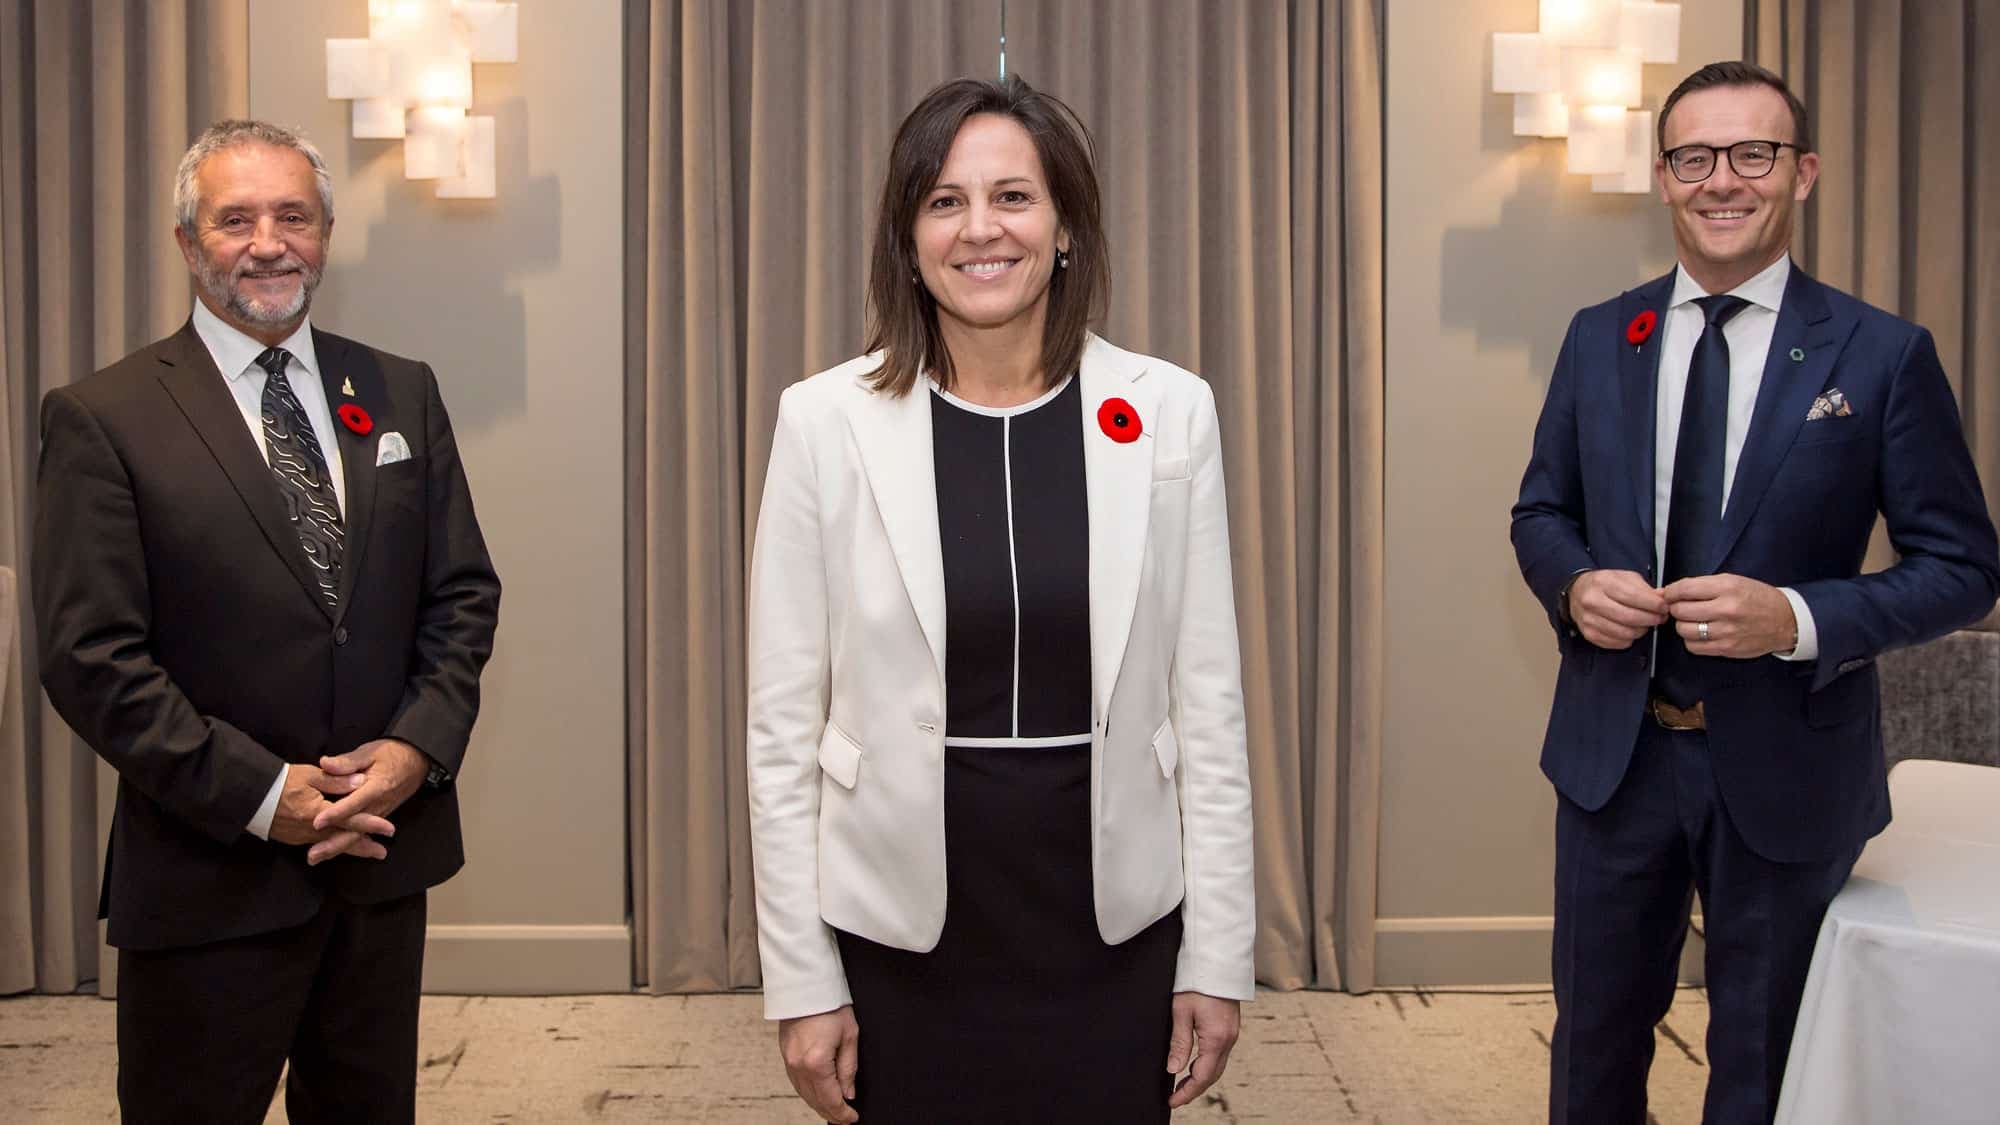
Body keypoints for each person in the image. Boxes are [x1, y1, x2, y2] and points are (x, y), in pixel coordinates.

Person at [746, 76, 1255, 1123]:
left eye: (1013, 196)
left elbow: (1208, 711)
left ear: (1064, 227)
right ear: (909, 238)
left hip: (1110, 919)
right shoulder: (823, 423)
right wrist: (801, 979)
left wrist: (1217, 955)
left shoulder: (1169, 412)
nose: (981, 228)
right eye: (945, 201)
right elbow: (780, 730)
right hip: (902, 924)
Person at [1512, 61, 2000, 1124]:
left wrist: (1798, 619)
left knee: (1763, 1069)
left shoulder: (1882, 354)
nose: (1721, 180)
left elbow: (1964, 569)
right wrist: (1574, 584)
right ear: (1663, 177)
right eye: (1694, 157)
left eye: (1752, 153)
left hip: (1790, 769)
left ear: (1802, 172)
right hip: (1611, 760)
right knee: (1589, 1055)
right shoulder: (1599, 336)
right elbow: (1539, 512)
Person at [32, 119, 501, 1125]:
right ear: (187, 241)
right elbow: (91, 657)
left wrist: (416, 749)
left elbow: (461, 593)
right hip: (209, 873)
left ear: (325, 232)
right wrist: (264, 793)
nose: (268, 243)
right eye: (234, 219)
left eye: (293, 216)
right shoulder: (103, 417)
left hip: (380, 858)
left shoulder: (399, 390)